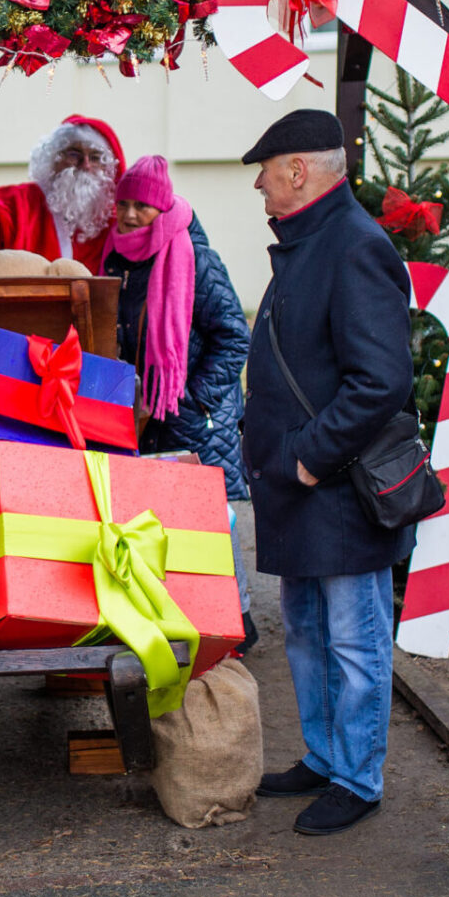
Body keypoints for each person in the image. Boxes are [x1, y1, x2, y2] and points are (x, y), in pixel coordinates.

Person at [241, 109, 415, 836]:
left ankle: (358, 778)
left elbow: (382, 382)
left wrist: (310, 457)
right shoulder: (312, 238)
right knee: (307, 633)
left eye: (265, 171)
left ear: (298, 169)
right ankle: (324, 755)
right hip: (300, 486)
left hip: (334, 487)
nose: (258, 185)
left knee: (354, 639)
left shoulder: (354, 244)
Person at [101, 155, 256, 652]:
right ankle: (177, 621)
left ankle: (238, 627)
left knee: (211, 523)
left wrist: (187, 399)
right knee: (157, 520)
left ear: (162, 207)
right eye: (123, 204)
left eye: (142, 206)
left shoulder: (195, 257)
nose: (129, 215)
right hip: (141, 413)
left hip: (191, 414)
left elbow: (235, 338)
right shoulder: (115, 258)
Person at [0, 115, 124, 272]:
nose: (85, 164)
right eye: (74, 154)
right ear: (53, 159)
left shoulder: (118, 221)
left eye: (96, 157)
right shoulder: (14, 204)